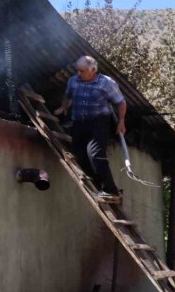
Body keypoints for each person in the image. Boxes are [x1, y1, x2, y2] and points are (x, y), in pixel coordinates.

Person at [54, 56, 127, 200]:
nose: (78, 74)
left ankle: (111, 190)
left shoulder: (106, 83)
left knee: (95, 154)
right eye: (77, 71)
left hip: (99, 122)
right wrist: (63, 107)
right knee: (80, 156)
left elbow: (121, 102)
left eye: (82, 71)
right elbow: (68, 96)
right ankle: (101, 187)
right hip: (79, 123)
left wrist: (121, 121)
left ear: (93, 70)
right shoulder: (73, 81)